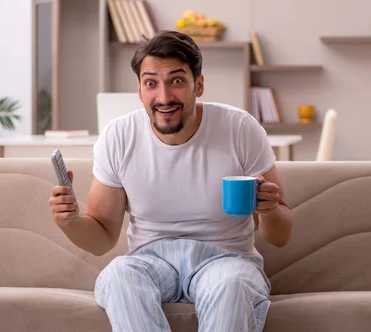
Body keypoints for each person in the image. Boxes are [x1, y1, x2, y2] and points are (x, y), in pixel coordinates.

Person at [48, 30, 293, 332]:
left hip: (226, 259)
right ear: (139, 90)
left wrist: (268, 210)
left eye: (177, 81)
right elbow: (102, 237)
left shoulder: (240, 128)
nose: (163, 98)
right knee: (119, 275)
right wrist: (69, 221)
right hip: (151, 260)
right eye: (151, 83)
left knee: (232, 285)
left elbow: (281, 235)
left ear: (198, 84)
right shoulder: (119, 136)